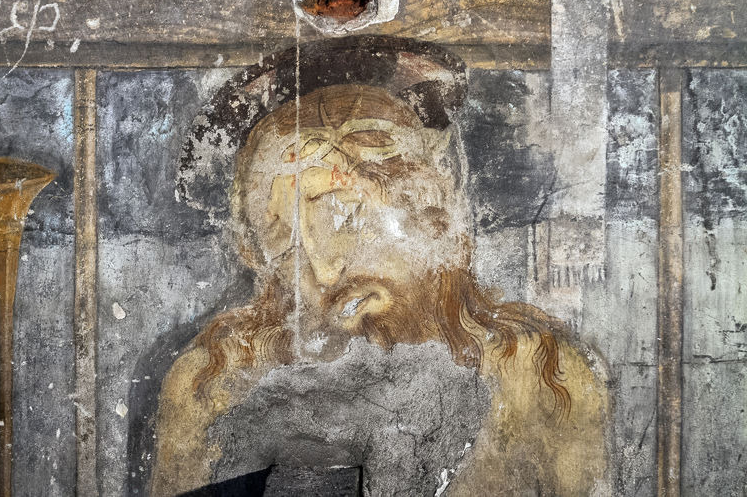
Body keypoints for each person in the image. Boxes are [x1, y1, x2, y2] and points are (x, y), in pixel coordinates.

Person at [150, 42, 611, 496]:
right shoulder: (213, 383)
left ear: (436, 209)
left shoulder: (542, 373)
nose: (326, 272)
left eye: (354, 218)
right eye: (286, 238)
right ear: (252, 254)